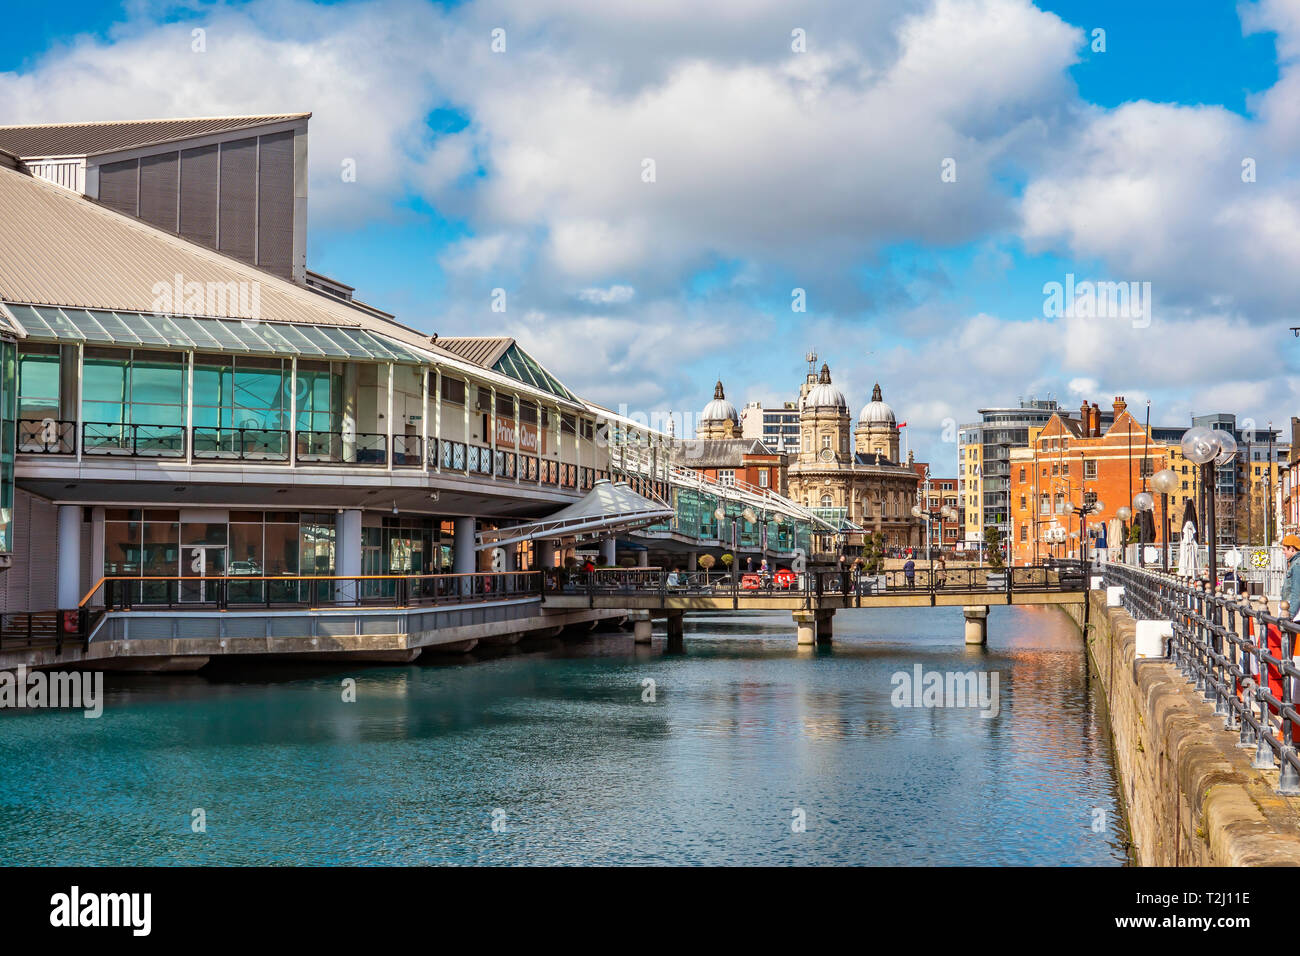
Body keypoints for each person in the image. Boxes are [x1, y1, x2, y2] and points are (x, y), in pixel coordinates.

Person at [1283, 535, 1300, 620]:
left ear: (1292, 549)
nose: (1283, 552)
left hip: (1294, 613)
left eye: (1284, 549)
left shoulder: (1297, 565)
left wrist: (1290, 615)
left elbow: (1297, 592)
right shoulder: (1295, 563)